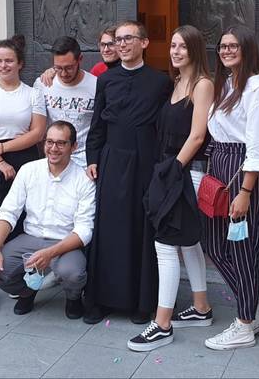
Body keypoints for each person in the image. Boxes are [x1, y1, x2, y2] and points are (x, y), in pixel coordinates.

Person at [128, 25, 214, 351]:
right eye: (173, 45)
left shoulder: (203, 85)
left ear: (194, 49)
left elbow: (197, 135)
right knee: (188, 243)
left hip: (184, 171)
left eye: (182, 46)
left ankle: (162, 324)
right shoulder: (177, 82)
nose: (175, 51)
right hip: (171, 168)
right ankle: (202, 307)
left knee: (165, 245)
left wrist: (174, 168)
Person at [83, 20, 173, 325]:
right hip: (111, 159)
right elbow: (97, 124)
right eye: (117, 40)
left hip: (145, 161)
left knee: (140, 229)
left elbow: (164, 129)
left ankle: (140, 302)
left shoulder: (160, 82)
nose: (121, 44)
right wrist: (92, 157)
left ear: (144, 43)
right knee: (108, 230)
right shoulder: (106, 80)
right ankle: (102, 299)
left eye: (128, 39)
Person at [203, 25, 259, 351]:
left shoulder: (257, 89)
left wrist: (246, 192)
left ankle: (245, 323)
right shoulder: (228, 84)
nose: (226, 50)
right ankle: (255, 309)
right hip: (219, 164)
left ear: (247, 49)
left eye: (233, 46)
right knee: (215, 245)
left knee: (242, 249)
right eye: (222, 46)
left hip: (240, 169)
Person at [0, 121, 96, 317]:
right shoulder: (29, 170)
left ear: (74, 147)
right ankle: (28, 291)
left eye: (61, 143)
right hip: (31, 237)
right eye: (49, 142)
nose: (53, 148)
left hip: (64, 242)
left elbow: (84, 230)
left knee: (73, 273)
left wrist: (49, 253)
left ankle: (73, 297)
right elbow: (8, 212)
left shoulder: (83, 179)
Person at [0, 35, 47, 312]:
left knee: (22, 223)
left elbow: (37, 132)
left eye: (9, 61)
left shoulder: (32, 93)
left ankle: (17, 280)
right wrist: (0, 160)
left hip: (25, 160)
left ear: (20, 64)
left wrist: (4, 147)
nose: (3, 66)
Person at [34, 36, 97, 168]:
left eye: (69, 68)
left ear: (80, 59)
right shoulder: (42, 84)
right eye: (58, 68)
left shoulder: (95, 85)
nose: (63, 73)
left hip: (85, 161)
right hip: (53, 159)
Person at [39, 26, 120, 87]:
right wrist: (54, 70)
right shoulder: (98, 69)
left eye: (111, 44)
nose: (106, 49)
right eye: (102, 45)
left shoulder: (130, 69)